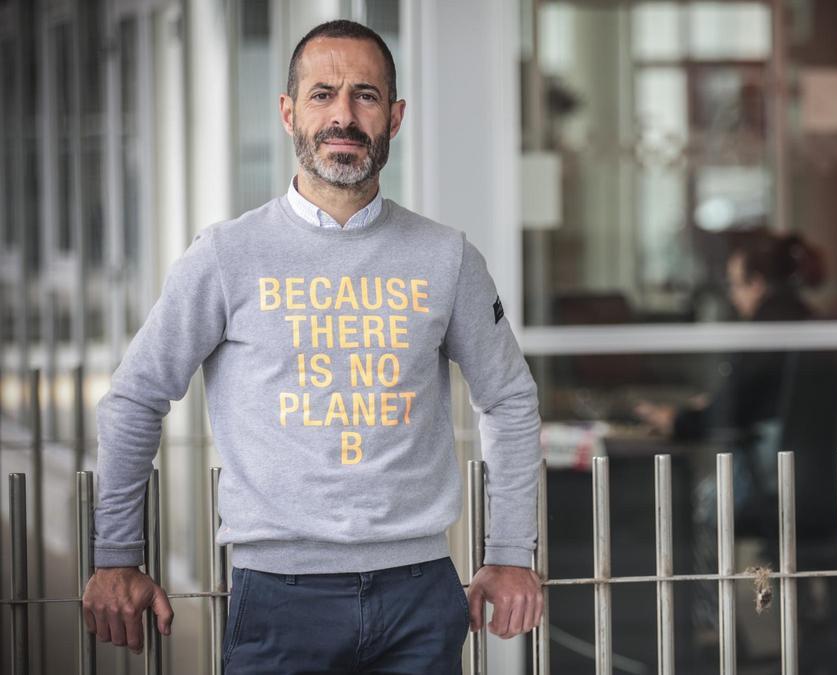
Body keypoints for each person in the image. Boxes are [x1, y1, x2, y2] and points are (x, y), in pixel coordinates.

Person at [82, 20, 543, 673]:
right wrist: (117, 553)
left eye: (366, 95)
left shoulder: (448, 258)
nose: (344, 115)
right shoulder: (226, 256)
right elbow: (135, 397)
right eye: (323, 94)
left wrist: (511, 550)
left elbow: (511, 400)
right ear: (288, 111)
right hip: (278, 597)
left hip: (419, 593)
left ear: (396, 116)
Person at [634, 231, 837, 649]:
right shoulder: (810, 319)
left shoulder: (767, 329)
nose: (732, 296)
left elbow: (730, 414)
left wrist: (679, 420)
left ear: (757, 284)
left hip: (777, 483)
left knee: (695, 508)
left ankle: (708, 627)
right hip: (825, 480)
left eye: (734, 284)